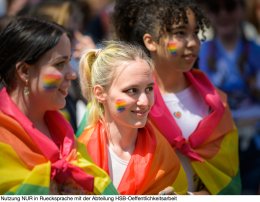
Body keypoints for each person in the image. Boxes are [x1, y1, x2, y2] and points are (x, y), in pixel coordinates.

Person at [110, 0, 241, 194]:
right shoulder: (127, 101)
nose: (192, 43)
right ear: (150, 42)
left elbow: (228, 176)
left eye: (195, 33)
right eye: (180, 33)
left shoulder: (215, 102)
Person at [0, 16, 117, 195]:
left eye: (69, 62)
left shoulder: (63, 131)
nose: (72, 74)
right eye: (60, 64)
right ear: (24, 71)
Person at [77, 40, 188, 195]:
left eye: (149, 89)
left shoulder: (162, 153)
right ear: (100, 93)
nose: (145, 101)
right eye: (132, 90)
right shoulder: (80, 154)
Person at [198, 0, 260, 194]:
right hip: (219, 142)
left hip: (254, 141)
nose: (223, 14)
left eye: (230, 6)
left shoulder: (256, 51)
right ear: (209, 14)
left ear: (242, 10)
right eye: (216, 8)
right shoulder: (200, 52)